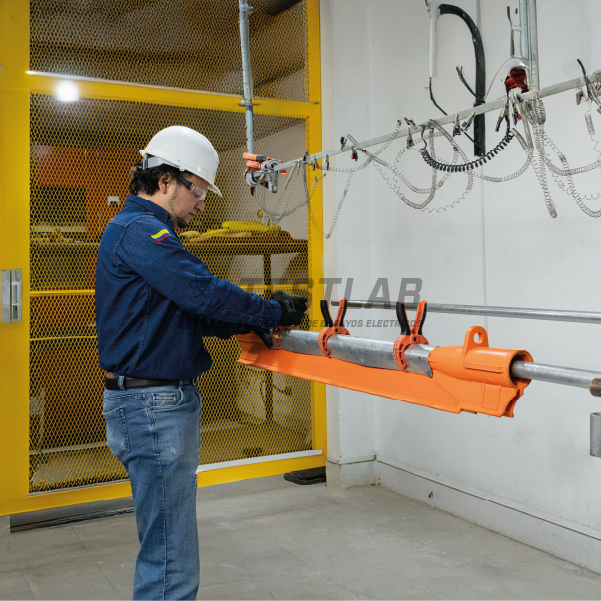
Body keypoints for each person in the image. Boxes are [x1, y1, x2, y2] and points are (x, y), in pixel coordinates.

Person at [95, 125, 307, 601]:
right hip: (153, 407)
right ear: (166, 180)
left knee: (166, 543)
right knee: (169, 556)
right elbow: (202, 291)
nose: (202, 205)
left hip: (148, 402)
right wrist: (270, 310)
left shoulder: (139, 232)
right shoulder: (141, 231)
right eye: (199, 191)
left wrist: (255, 322)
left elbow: (185, 314)